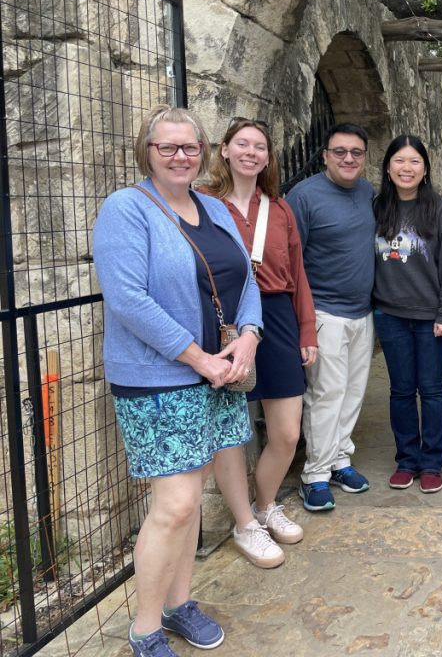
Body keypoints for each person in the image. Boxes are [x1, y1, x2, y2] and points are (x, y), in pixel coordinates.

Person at [94, 105, 262, 656]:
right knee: (175, 504)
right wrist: (200, 358)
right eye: (167, 147)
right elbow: (127, 300)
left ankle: (178, 604)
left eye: (189, 147)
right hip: (159, 377)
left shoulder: (211, 208)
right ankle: (144, 628)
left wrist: (250, 336)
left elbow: (245, 281)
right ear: (147, 151)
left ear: (204, 152)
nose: (179, 156)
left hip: (215, 373)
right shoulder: (126, 209)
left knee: (191, 499)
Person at [200, 117, 318, 567]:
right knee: (231, 429)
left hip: (278, 315)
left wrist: (306, 329)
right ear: (225, 150)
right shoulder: (204, 203)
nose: (251, 152)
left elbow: (298, 274)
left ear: (268, 157)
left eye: (260, 146)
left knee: (287, 430)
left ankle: (267, 504)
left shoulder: (281, 209)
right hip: (223, 318)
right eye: (242, 144)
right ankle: (245, 522)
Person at [286, 123, 375, 510]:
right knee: (326, 394)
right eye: (340, 152)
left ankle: (340, 459)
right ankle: (316, 474)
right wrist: (303, 321)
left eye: (356, 152)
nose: (348, 159)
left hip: (362, 312)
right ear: (324, 156)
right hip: (324, 312)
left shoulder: (367, 192)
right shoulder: (304, 196)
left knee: (353, 392)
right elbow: (293, 260)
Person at [373, 134, 442, 493]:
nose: (406, 168)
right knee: (401, 390)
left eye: (414, 161)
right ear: (388, 166)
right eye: (399, 161)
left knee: (432, 388)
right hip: (390, 313)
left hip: (430, 316)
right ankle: (406, 459)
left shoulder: (439, 209)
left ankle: (432, 462)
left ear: (425, 168)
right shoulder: (377, 207)